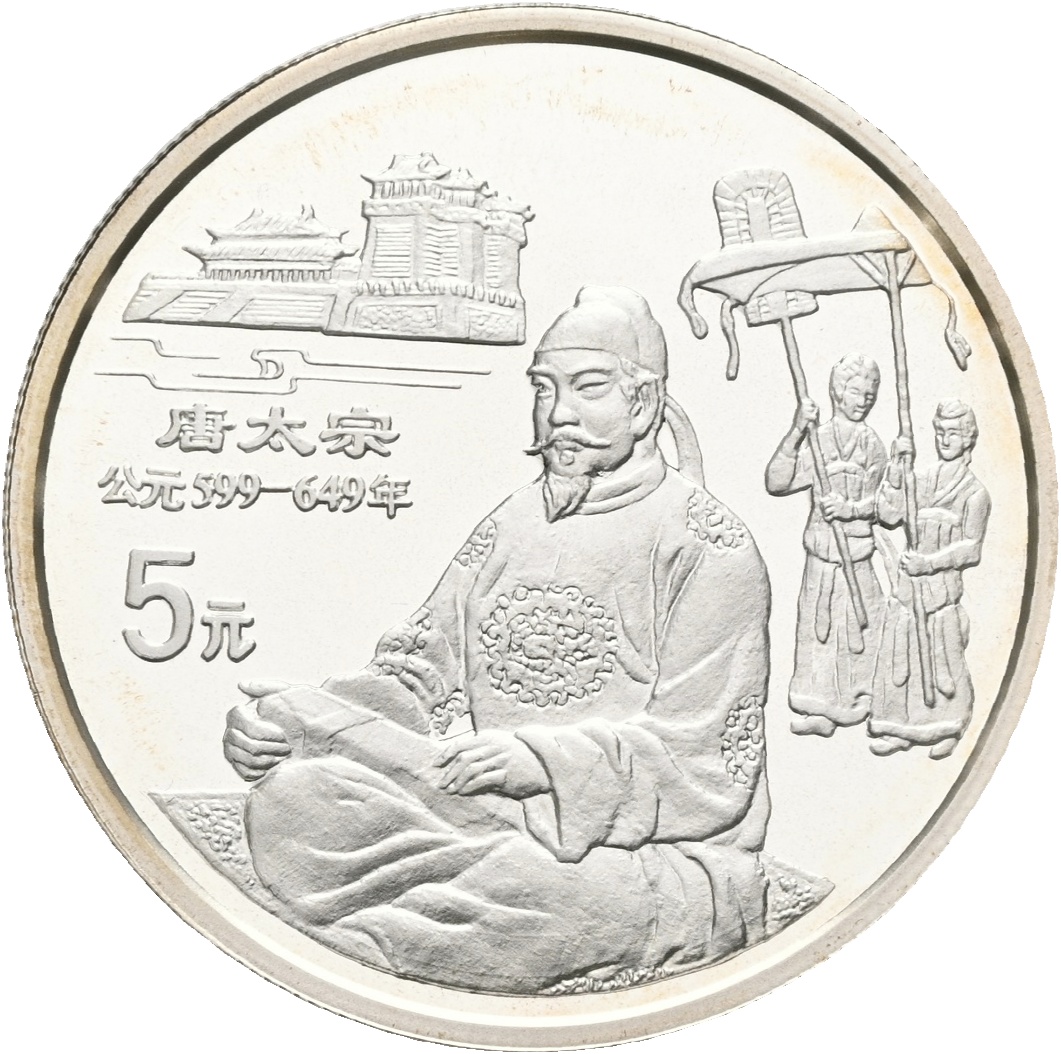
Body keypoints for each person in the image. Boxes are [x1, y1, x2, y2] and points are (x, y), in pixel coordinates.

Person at [222, 286, 774, 994]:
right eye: (544, 389)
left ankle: (405, 927)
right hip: (488, 815)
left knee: (537, 889)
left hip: (660, 858)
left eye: (588, 388)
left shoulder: (709, 546)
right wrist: (298, 726)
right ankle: (444, 903)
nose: (559, 413)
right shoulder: (511, 523)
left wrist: (540, 762)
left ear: (643, 404)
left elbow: (707, 765)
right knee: (292, 801)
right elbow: (417, 671)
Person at [765, 354, 887, 737]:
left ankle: (864, 703)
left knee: (860, 631)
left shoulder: (872, 446)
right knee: (819, 634)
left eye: (870, 394)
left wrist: (850, 509)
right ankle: (818, 709)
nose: (863, 400)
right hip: (821, 556)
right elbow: (777, 482)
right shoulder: (818, 440)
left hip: (856, 557)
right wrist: (796, 431)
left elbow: (882, 505)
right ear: (837, 391)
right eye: (856, 391)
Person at [868, 400, 990, 759]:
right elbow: (888, 514)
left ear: (968, 438)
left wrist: (930, 563)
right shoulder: (920, 480)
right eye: (940, 432)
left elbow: (972, 549)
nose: (945, 439)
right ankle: (898, 728)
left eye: (953, 433)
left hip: (940, 594)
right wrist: (895, 468)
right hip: (908, 590)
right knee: (900, 658)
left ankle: (948, 727)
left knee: (943, 660)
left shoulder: (975, 494)